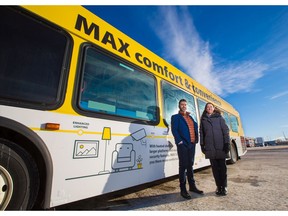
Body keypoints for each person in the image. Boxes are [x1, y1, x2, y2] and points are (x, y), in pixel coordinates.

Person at [171, 99, 203, 199]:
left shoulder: (190, 117)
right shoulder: (175, 117)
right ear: (179, 106)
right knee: (183, 166)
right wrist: (179, 142)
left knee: (190, 165)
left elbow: (194, 127)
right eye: (182, 104)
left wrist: (196, 140)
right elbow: (174, 130)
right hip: (183, 145)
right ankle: (183, 189)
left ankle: (192, 187)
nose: (184, 106)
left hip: (192, 144)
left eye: (185, 104)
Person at [200, 102, 230, 196]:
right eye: (207, 107)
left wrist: (227, 143)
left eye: (211, 107)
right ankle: (218, 186)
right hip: (210, 147)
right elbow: (202, 133)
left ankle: (224, 186)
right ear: (205, 109)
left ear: (213, 108)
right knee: (215, 169)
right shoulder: (203, 120)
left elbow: (225, 131)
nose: (209, 108)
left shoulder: (219, 118)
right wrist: (202, 145)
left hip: (220, 146)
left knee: (223, 168)